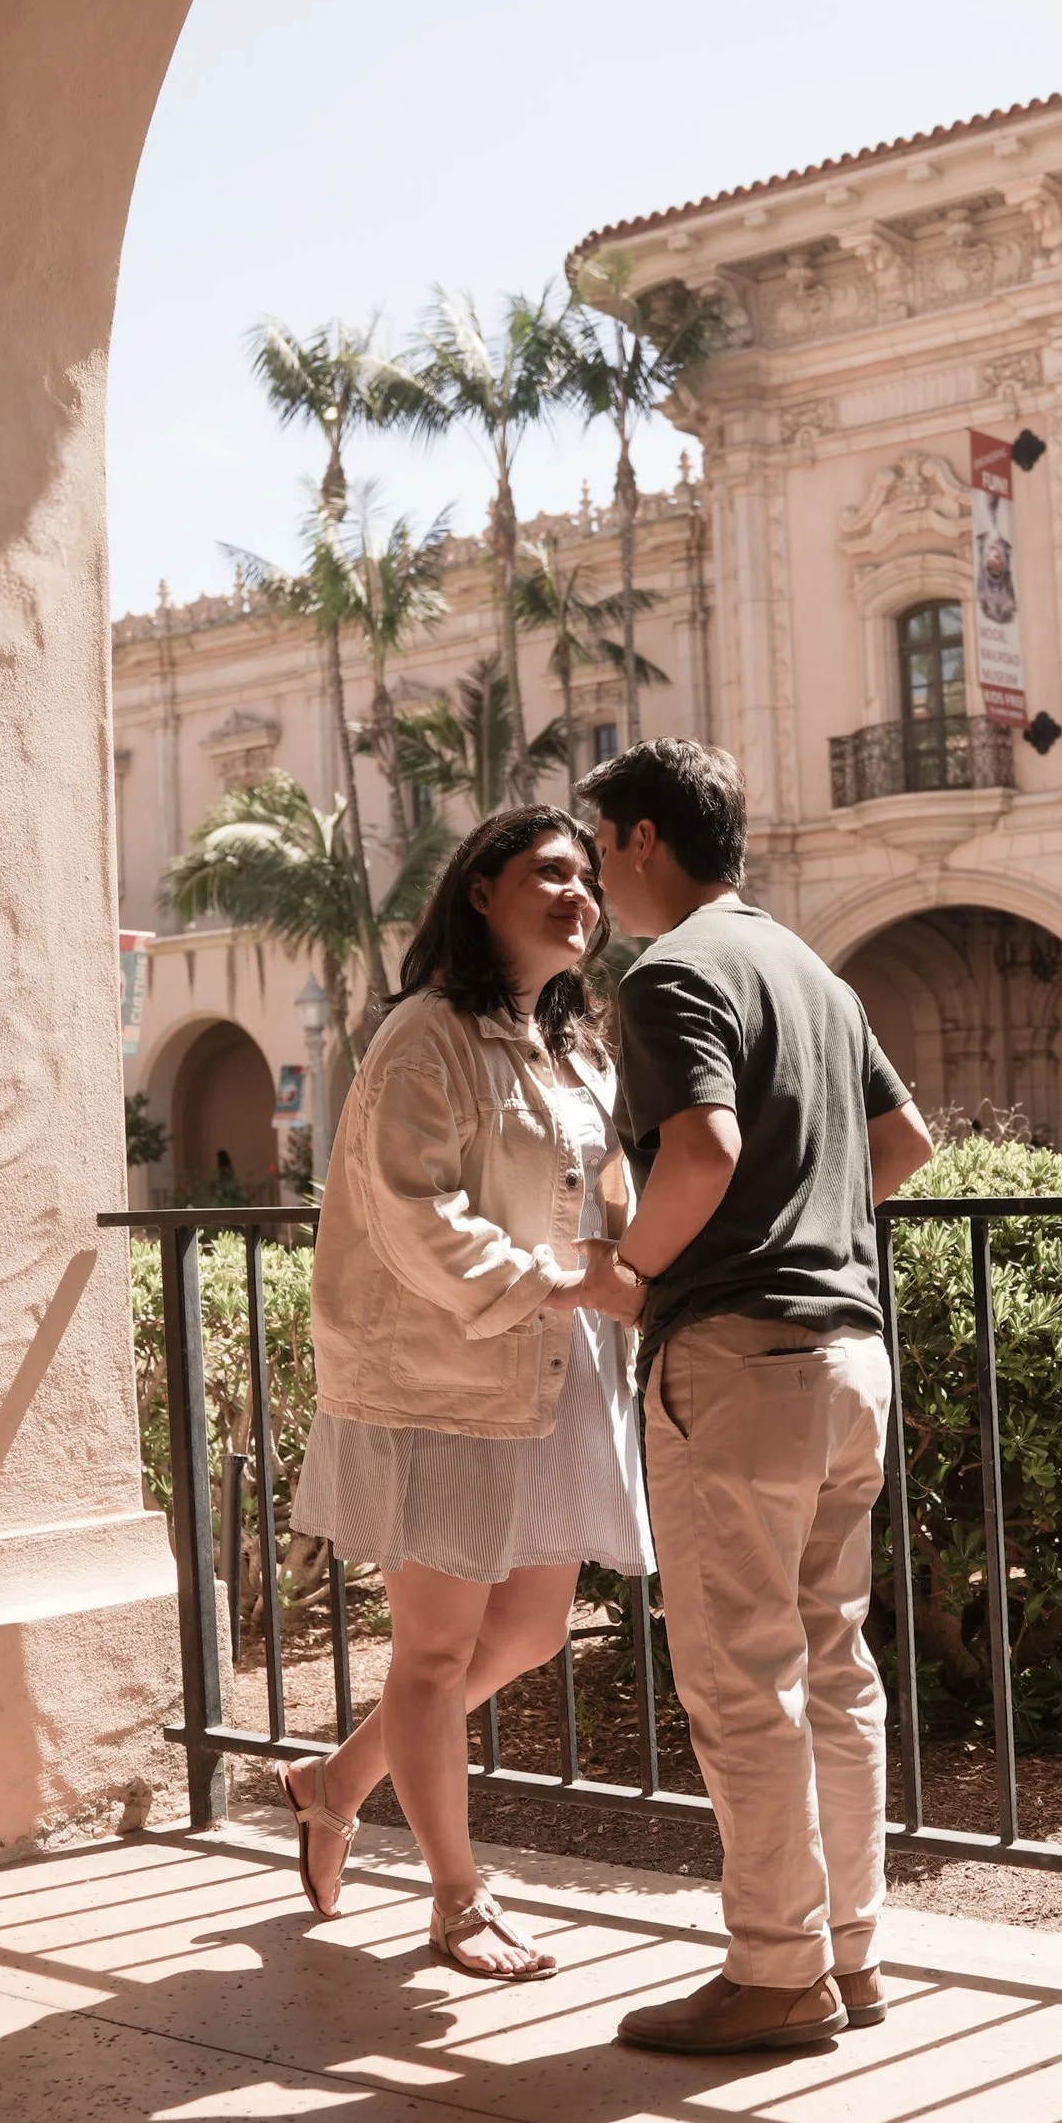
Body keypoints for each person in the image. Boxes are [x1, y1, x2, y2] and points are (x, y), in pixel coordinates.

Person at [569, 738, 934, 2056]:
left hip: (738, 1361)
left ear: (644, 840)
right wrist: (806, 1229)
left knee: (742, 1680)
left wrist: (635, 1270)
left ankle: (776, 1972)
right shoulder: (814, 973)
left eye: (600, 846)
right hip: (850, 1360)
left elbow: (705, 1145)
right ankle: (853, 1953)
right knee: (833, 1665)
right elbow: (904, 1144)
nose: (600, 878)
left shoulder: (670, 973)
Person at [277, 806, 650, 1983]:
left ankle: (334, 1783)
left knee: (531, 1632)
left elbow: (609, 1194)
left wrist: (639, 1266)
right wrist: (569, 1285)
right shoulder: (423, 1036)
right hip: (441, 1375)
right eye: (548, 874)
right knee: (434, 1652)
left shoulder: (576, 1047)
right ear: (479, 891)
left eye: (586, 880)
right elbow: (414, 1209)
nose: (576, 896)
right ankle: (455, 1899)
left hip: (553, 1367)